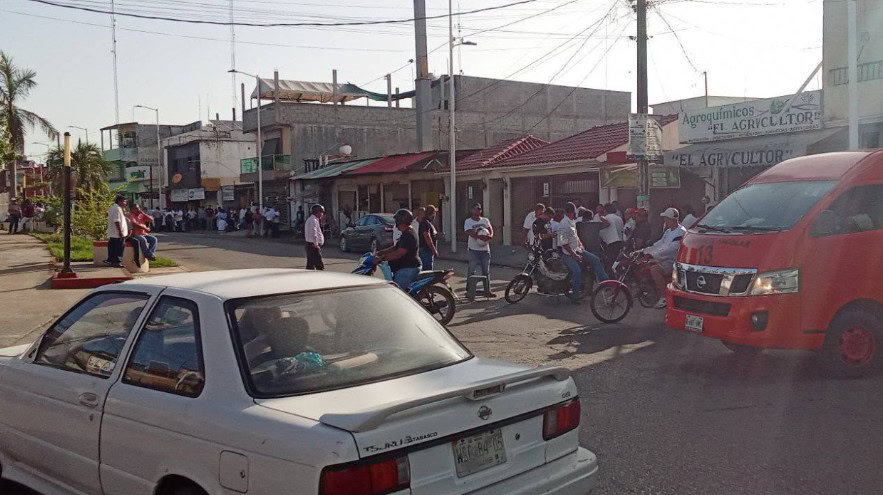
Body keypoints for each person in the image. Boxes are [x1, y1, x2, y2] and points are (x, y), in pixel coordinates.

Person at [556, 202, 609, 303]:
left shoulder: (572, 222)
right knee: (577, 272)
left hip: (578, 250)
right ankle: (575, 297)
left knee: (596, 260)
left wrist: (580, 245)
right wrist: (574, 255)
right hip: (568, 254)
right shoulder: (563, 224)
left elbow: (575, 237)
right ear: (571, 212)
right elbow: (564, 243)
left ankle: (606, 283)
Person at [643, 207, 688, 309]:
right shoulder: (668, 231)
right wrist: (644, 251)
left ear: (672, 219)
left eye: (666, 219)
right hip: (664, 259)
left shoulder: (681, 232)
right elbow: (660, 244)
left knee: (654, 269)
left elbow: (671, 250)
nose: (665, 221)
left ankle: (663, 297)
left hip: (672, 261)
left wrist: (653, 255)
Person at [377, 209, 422, 290]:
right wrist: (380, 252)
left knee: (397, 291)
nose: (395, 223)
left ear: (400, 221)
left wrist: (382, 258)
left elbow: (399, 253)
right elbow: (395, 247)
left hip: (408, 268)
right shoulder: (406, 233)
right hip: (405, 267)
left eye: (396, 220)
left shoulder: (408, 235)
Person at [464, 203, 496, 298]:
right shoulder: (468, 221)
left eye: (479, 209)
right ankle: (469, 291)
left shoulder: (485, 220)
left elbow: (490, 229)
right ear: (472, 210)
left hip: (485, 250)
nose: (478, 211)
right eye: (476, 209)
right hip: (474, 249)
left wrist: (490, 236)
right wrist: (479, 237)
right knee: (471, 271)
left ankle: (487, 291)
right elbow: (468, 232)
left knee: (486, 271)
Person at [596, 204, 625, 271]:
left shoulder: (606, 218)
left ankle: (610, 280)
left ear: (605, 210)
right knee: (616, 264)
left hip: (611, 243)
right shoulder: (619, 218)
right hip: (620, 242)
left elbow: (604, 228)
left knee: (609, 265)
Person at [105, 194, 129, 268]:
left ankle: (111, 261)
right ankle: (117, 262)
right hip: (117, 233)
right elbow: (117, 221)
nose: (125, 203)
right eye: (124, 201)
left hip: (113, 233)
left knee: (113, 248)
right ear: (119, 201)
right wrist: (120, 232)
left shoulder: (114, 207)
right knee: (119, 248)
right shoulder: (117, 209)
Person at [418, 205, 440, 270]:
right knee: (427, 269)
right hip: (426, 250)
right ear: (432, 213)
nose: (435, 215)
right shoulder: (425, 223)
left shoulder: (428, 223)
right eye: (435, 213)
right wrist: (434, 250)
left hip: (426, 250)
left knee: (428, 267)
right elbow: (427, 237)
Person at [304, 204, 325, 270]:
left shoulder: (312, 219)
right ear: (318, 212)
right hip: (313, 245)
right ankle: (320, 279)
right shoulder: (313, 220)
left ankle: (309, 278)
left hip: (310, 245)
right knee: (319, 265)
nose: (322, 214)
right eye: (322, 212)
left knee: (310, 265)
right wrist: (316, 244)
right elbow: (314, 233)